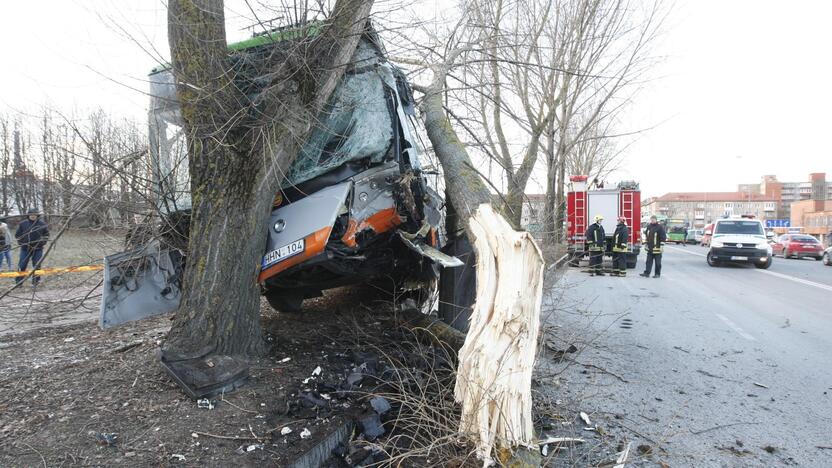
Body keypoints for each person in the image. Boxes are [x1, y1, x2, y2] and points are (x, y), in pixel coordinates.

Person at [15, 208, 49, 285]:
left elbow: (46, 235)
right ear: (28, 215)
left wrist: (42, 242)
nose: (33, 216)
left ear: (37, 215)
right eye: (31, 214)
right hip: (25, 248)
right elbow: (17, 235)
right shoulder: (23, 224)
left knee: (37, 265)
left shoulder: (42, 224)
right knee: (22, 265)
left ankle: (36, 281)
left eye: (34, 214)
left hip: (38, 248)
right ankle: (19, 281)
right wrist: (22, 243)